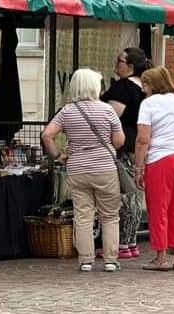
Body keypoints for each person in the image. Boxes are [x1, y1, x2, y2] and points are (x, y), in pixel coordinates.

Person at [42, 68, 125, 272]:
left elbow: (47, 135)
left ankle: (85, 259)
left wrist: (59, 155)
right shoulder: (107, 110)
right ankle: (110, 259)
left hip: (77, 168)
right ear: (95, 87)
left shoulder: (67, 111)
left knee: (83, 215)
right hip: (104, 167)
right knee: (109, 215)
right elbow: (119, 140)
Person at [135, 67, 174, 271]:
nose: (143, 89)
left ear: (151, 85)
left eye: (145, 85)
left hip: (162, 158)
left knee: (159, 208)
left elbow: (143, 139)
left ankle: (161, 257)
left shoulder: (148, 104)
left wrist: (138, 167)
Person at [99, 47, 149, 259]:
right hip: (136, 144)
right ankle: (130, 241)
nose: (115, 63)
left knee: (127, 195)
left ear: (129, 66)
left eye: (119, 60)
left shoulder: (123, 88)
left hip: (122, 146)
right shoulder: (145, 88)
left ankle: (123, 242)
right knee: (134, 194)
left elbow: (111, 118)